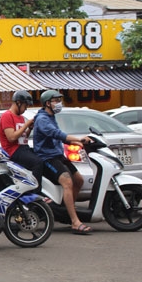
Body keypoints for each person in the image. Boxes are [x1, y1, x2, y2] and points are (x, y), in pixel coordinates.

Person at [33, 90, 92, 235]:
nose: (59, 103)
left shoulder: (51, 116)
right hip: (47, 158)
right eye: (56, 100)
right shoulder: (42, 119)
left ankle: (65, 211)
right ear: (48, 103)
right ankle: (74, 221)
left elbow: (61, 137)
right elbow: (56, 134)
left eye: (60, 100)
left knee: (78, 179)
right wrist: (78, 139)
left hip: (58, 155)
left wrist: (78, 142)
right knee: (67, 182)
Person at [0, 90, 44, 192]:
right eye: (25, 106)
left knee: (43, 158)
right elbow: (12, 137)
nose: (26, 109)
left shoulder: (21, 117)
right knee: (37, 162)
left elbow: (22, 138)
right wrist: (27, 124)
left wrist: (29, 128)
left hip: (23, 148)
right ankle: (36, 191)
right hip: (13, 151)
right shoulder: (7, 116)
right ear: (18, 103)